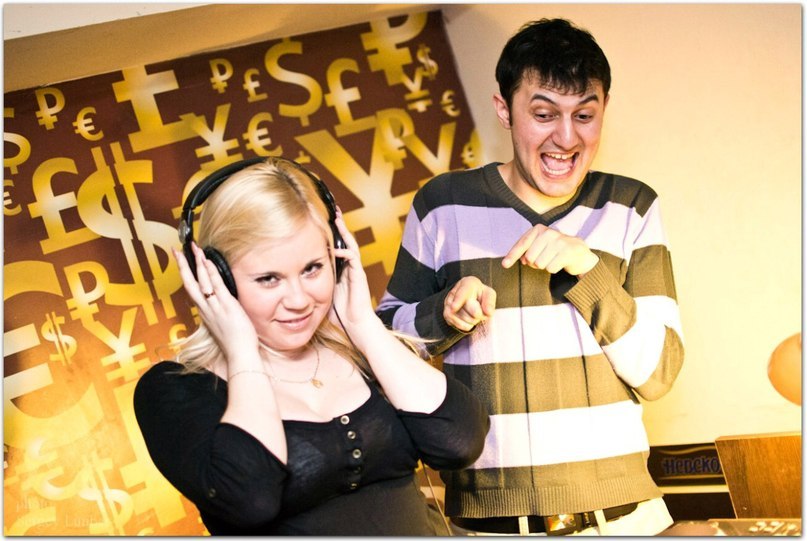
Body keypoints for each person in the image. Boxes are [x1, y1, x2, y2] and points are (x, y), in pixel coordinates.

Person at [376, 18, 684, 536]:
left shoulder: (632, 205)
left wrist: (589, 271)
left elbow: (658, 373)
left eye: (584, 115)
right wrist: (441, 314)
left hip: (625, 520)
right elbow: (383, 345)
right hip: (488, 524)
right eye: (543, 114)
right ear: (504, 110)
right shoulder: (442, 204)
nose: (566, 137)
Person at [133, 157, 489, 535]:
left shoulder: (364, 351)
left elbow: (460, 442)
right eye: (269, 279)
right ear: (215, 277)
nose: (299, 300)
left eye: (312, 268)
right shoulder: (174, 389)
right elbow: (251, 498)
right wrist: (242, 353)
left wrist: (363, 325)